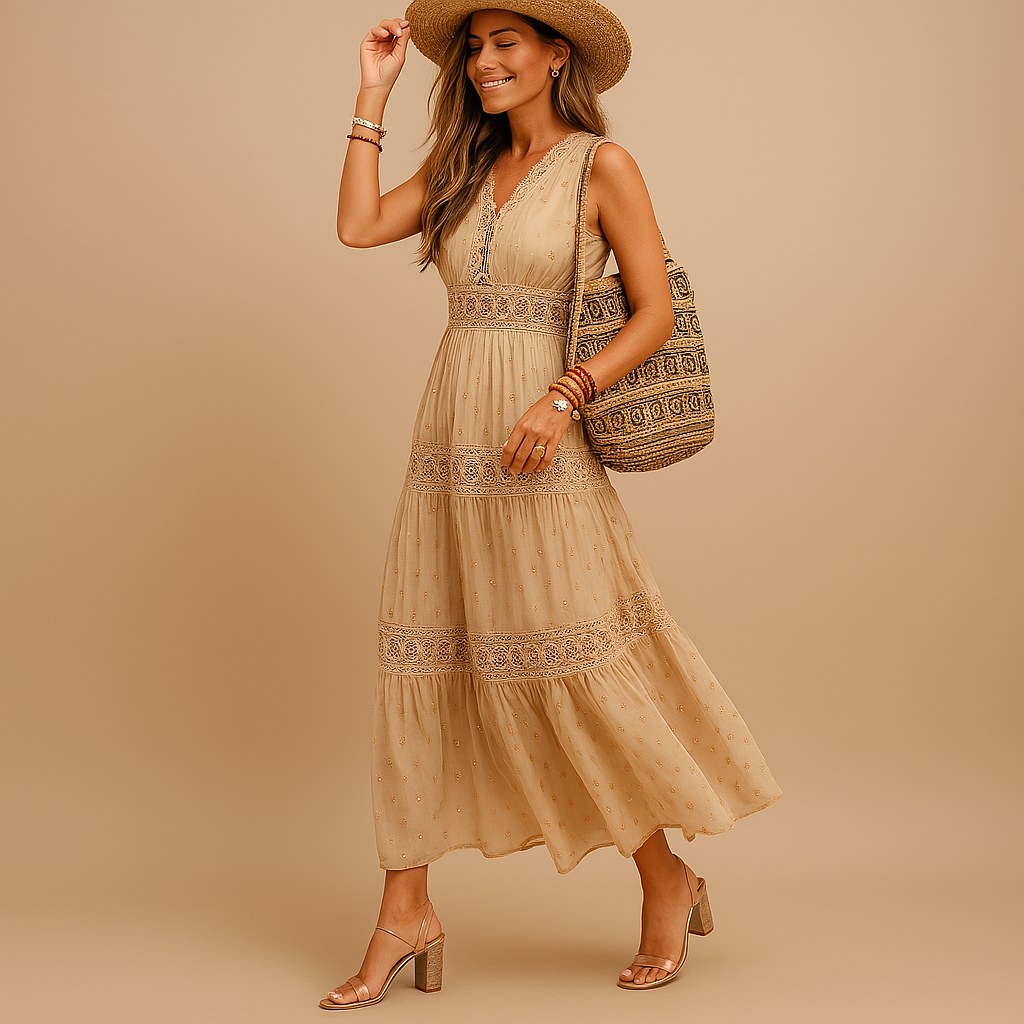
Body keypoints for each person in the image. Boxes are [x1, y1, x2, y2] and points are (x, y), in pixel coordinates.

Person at [322, 0, 782, 1008]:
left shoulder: (599, 167)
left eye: (505, 45)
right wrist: (373, 93)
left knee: (571, 663)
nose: (485, 62)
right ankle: (405, 908)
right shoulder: (457, 170)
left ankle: (666, 870)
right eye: (476, 48)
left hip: (541, 439)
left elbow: (653, 308)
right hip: (448, 445)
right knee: (428, 660)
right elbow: (356, 226)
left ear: (553, 54)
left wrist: (566, 392)